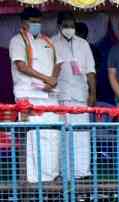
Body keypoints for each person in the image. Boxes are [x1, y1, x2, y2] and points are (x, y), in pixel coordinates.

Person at [10, 7, 63, 183]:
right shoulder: (17, 41)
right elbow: (21, 66)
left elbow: (58, 63)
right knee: (34, 138)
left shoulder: (47, 40)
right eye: (32, 21)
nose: (36, 24)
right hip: (29, 96)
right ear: (23, 22)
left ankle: (51, 177)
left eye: (38, 21)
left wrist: (53, 79)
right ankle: (35, 180)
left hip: (50, 96)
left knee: (52, 137)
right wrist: (45, 78)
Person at [51, 11, 95, 179]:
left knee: (81, 135)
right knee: (62, 136)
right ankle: (64, 172)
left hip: (80, 97)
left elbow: (91, 71)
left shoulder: (83, 44)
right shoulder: (52, 43)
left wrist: (92, 94)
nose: (69, 28)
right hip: (60, 97)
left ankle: (82, 172)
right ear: (59, 26)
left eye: (71, 25)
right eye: (66, 26)